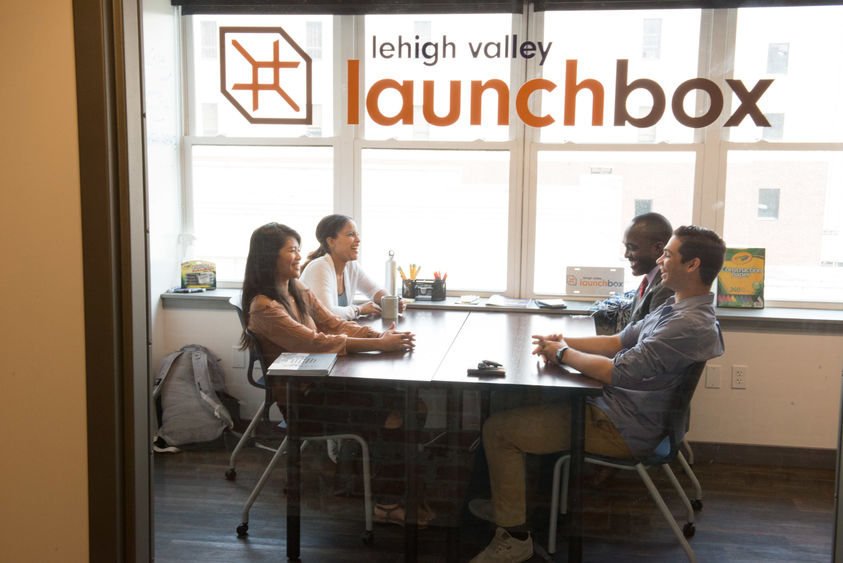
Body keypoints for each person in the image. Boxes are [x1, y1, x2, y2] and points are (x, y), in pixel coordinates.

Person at [468, 226, 726, 563]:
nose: (661, 259)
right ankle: (509, 506)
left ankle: (514, 537)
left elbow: (615, 370)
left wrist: (562, 354)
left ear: (692, 265)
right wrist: (561, 342)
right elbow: (617, 341)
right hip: (619, 412)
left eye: (668, 254)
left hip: (621, 428)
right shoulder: (676, 308)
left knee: (499, 430)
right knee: (523, 404)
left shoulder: (687, 324)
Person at [240, 222, 429, 527]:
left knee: (412, 404)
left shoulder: (296, 287)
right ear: (268, 257)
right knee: (398, 411)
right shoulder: (263, 307)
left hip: (322, 384)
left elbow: (333, 325)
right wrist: (377, 345)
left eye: (298, 249)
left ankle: (384, 486)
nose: (299, 257)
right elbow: (314, 342)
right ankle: (388, 502)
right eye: (292, 251)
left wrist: (374, 336)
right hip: (303, 401)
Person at [300, 214, 403, 321]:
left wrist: (392, 303)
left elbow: (374, 290)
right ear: (331, 241)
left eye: (357, 234)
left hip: (333, 333)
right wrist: (359, 309)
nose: (358, 240)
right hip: (313, 335)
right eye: (350, 234)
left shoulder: (351, 266)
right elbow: (327, 314)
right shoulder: (319, 267)